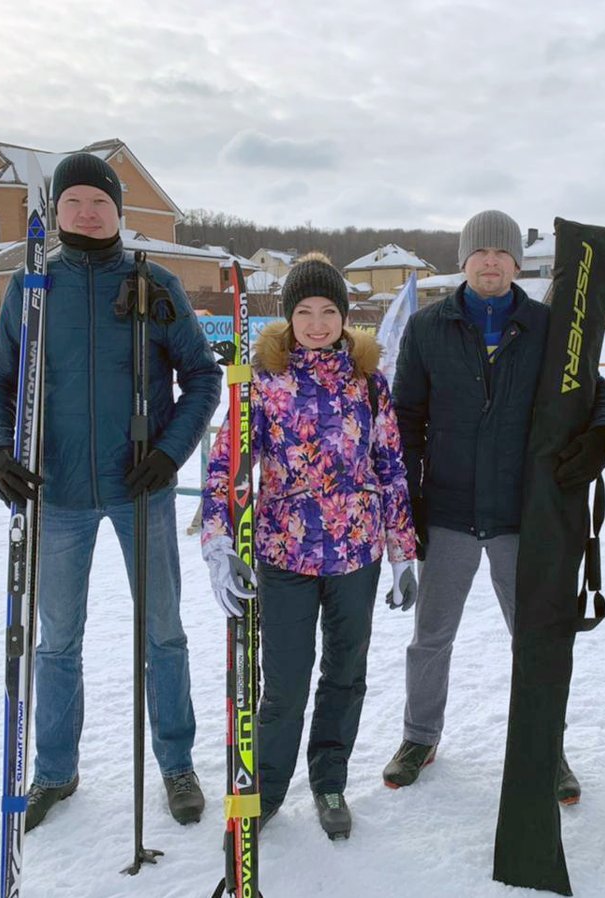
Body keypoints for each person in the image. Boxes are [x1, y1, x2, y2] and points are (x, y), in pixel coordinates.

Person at [0, 152, 221, 831]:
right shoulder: (31, 290)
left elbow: (202, 376)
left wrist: (171, 452)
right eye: (74, 201)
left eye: (100, 202)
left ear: (119, 211)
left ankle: (176, 762)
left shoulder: (155, 283)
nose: (87, 212)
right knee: (56, 641)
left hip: (139, 486)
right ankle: (55, 769)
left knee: (163, 633)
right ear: (56, 210)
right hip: (55, 492)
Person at [383, 210, 605, 802]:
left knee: (536, 639)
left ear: (517, 263)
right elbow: (406, 418)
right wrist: (408, 495)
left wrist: (603, 436)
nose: (491, 261)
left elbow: (594, 392)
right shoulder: (429, 328)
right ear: (463, 260)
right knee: (431, 637)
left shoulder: (547, 325)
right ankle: (419, 736)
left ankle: (547, 745)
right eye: (479, 252)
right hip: (448, 511)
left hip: (525, 514)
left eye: (502, 253)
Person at [201, 252, 418, 841]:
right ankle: (265, 792)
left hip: (356, 555)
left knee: (345, 675)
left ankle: (329, 780)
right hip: (286, 555)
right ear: (288, 317)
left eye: (329, 311)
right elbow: (226, 466)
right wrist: (219, 542)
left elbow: (391, 466)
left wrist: (402, 551)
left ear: (346, 317)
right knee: (287, 683)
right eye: (305, 311)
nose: (318, 323)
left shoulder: (369, 382)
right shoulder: (263, 382)